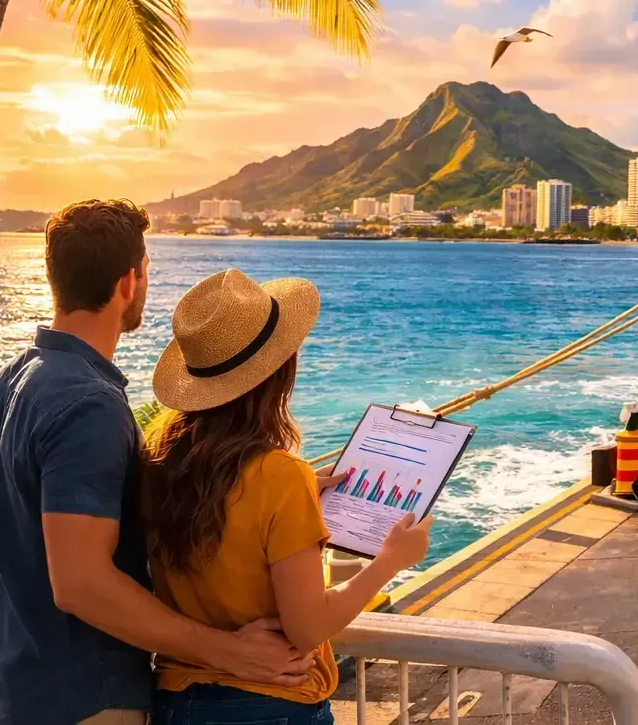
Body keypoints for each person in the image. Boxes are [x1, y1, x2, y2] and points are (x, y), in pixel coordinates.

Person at [0, 200, 315, 725]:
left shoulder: (5, 387)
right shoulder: (88, 404)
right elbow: (81, 583)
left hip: (9, 696)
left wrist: (268, 489)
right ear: (129, 281)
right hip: (86, 703)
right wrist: (227, 650)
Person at [142, 268, 432, 724]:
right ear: (279, 374)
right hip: (268, 703)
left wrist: (302, 493)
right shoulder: (279, 476)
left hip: (176, 700)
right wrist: (390, 561)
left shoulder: (160, 462)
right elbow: (308, 627)